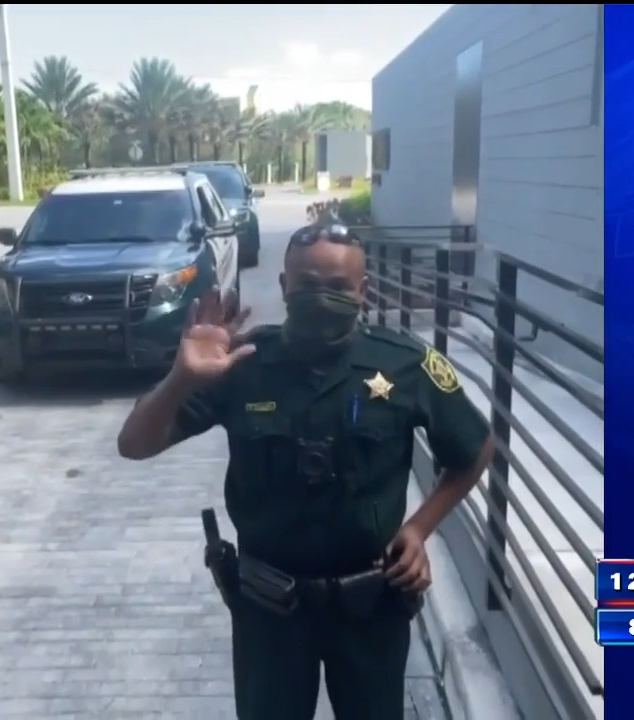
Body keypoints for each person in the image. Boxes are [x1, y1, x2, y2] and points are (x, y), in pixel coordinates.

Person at [116, 223, 494, 720]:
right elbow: (134, 445)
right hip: (269, 610)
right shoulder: (241, 364)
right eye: (308, 284)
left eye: (337, 287)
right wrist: (181, 378)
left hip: (372, 607)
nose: (322, 297)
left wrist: (420, 528)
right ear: (283, 287)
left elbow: (475, 449)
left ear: (363, 291)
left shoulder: (406, 366)